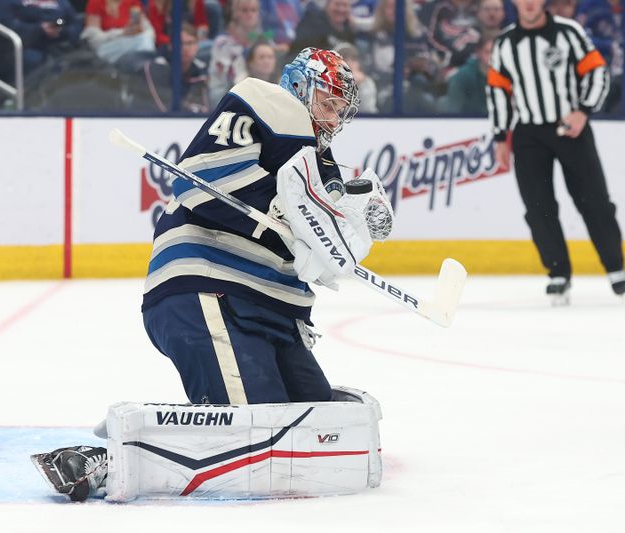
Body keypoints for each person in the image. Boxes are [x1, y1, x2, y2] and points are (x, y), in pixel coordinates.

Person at [33, 47, 392, 501]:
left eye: (341, 110)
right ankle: (107, 456)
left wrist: (355, 222)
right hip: (209, 287)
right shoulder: (264, 101)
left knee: (315, 424)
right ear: (299, 87)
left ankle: (159, 436)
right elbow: (199, 179)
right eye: (326, 102)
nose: (333, 117)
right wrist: (283, 210)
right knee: (257, 440)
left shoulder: (321, 166)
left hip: (273, 311)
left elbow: (322, 256)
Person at [486, 0, 625, 302]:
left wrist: (583, 110)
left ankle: (616, 268)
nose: (530, 3)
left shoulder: (569, 32)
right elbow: (497, 90)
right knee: (538, 207)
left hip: (570, 127)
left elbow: (597, 71)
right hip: (528, 133)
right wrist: (500, 136)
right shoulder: (506, 42)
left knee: (594, 201)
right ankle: (558, 272)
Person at [0, 0, 83, 79]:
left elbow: (75, 24)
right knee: (34, 58)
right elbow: (4, 25)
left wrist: (62, 31)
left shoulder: (61, 2)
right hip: (21, 48)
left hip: (57, 46)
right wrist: (39, 29)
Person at [136, 22, 209, 113]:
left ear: (197, 45)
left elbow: (204, 108)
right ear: (170, 46)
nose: (185, 48)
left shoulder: (200, 68)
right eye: (180, 43)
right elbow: (164, 107)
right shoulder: (155, 67)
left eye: (190, 43)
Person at [207, 0, 266, 102]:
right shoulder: (222, 43)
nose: (249, 14)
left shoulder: (262, 39)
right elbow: (231, 78)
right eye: (244, 10)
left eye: (253, 10)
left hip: (257, 91)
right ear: (235, 13)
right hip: (225, 94)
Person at [82, 0, 156, 69]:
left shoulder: (132, 2)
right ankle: (148, 63)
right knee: (144, 43)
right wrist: (122, 33)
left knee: (145, 41)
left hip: (132, 45)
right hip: (106, 48)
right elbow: (93, 40)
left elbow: (147, 29)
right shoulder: (96, 2)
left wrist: (135, 31)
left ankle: (147, 64)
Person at [441, 35, 493, 113]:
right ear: (478, 52)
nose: (492, 56)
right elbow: (453, 112)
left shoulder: (507, 75)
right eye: (488, 52)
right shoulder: (462, 77)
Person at [288, 0, 358, 56]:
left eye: (345, 5)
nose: (341, 9)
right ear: (327, 5)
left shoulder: (348, 30)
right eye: (337, 4)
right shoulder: (313, 23)